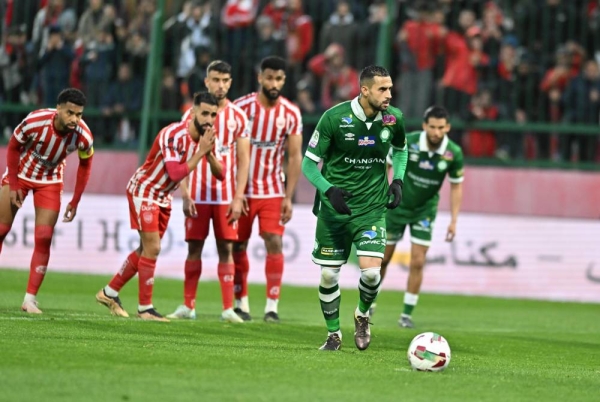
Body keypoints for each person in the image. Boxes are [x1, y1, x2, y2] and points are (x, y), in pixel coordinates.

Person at [301, 65, 408, 351]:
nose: (389, 94)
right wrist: (329, 189)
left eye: (390, 88)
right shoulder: (334, 118)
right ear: (364, 90)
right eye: (382, 89)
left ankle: (362, 315)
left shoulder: (393, 119)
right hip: (334, 209)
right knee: (328, 275)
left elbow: (401, 150)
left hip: (371, 207)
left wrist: (397, 180)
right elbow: (308, 164)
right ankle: (333, 334)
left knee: (372, 274)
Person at [95, 92, 218, 322]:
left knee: (146, 249)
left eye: (213, 115)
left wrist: (209, 156)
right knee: (153, 247)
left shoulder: (207, 138)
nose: (209, 119)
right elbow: (175, 172)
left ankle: (109, 292)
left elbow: (219, 174)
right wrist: (202, 151)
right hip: (145, 190)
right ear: (192, 112)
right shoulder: (173, 134)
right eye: (204, 113)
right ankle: (145, 308)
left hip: (164, 197)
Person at [167, 61, 250, 323]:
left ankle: (227, 309)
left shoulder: (238, 117)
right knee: (194, 248)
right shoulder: (190, 116)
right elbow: (182, 156)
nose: (220, 85)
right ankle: (188, 305)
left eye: (225, 80)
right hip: (197, 195)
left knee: (226, 249)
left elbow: (244, 160)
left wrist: (239, 196)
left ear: (231, 83)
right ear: (206, 81)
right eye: (216, 80)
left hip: (225, 196)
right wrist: (185, 193)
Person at [0, 88, 94, 314]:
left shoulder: (83, 136)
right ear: (58, 109)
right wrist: (14, 185)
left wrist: (76, 200)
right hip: (20, 175)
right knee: (1, 229)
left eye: (79, 114)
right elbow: (13, 147)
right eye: (70, 113)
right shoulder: (35, 120)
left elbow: (85, 165)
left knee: (44, 237)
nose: (75, 119)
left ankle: (30, 299)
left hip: (50, 181)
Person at [377, 106, 464, 328]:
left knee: (418, 261)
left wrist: (454, 220)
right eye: (432, 127)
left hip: (425, 210)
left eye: (441, 128)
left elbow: (456, 186)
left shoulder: (453, 152)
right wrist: (379, 195)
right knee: (383, 258)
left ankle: (406, 314)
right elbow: (385, 166)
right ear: (425, 126)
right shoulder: (409, 141)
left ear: (448, 128)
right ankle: (369, 303)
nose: (436, 132)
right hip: (396, 206)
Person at [232, 56, 303, 323]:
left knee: (274, 241)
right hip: (243, 190)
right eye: (269, 78)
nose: (274, 84)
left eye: (279, 79)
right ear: (260, 78)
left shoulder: (291, 113)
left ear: (284, 81)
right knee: (238, 244)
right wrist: (234, 192)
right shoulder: (241, 108)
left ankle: (272, 307)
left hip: (272, 189)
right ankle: (241, 303)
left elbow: (294, 156)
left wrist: (288, 196)